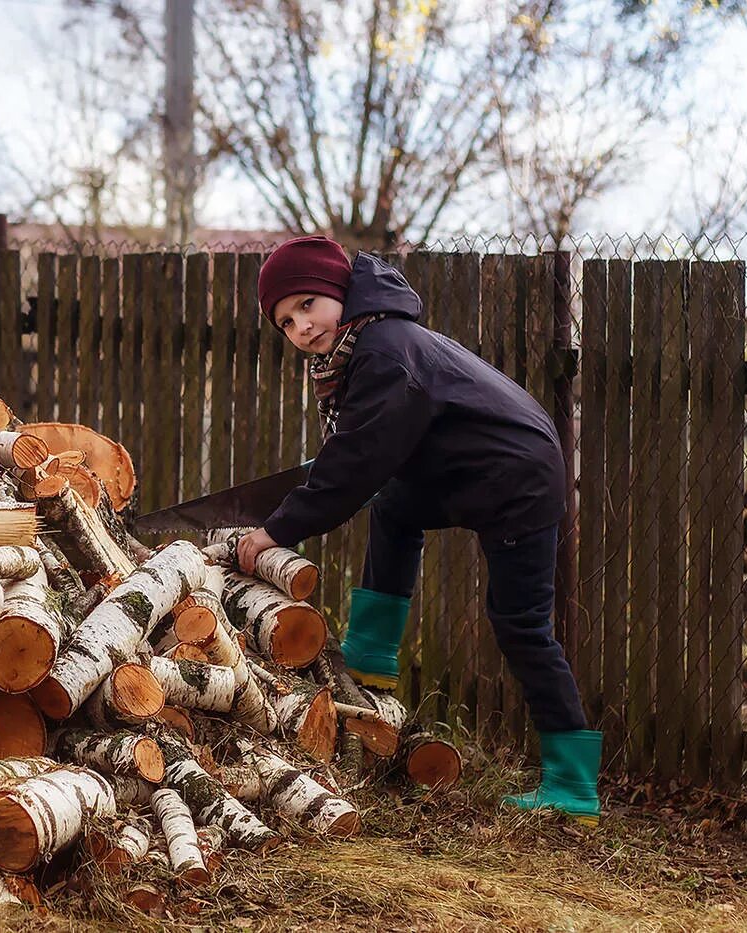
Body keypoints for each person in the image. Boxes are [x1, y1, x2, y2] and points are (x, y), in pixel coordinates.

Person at [234, 235, 600, 825]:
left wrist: (277, 530)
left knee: (521, 625)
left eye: (307, 304)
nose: (300, 327)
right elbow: (361, 457)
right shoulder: (369, 346)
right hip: (475, 472)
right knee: (396, 507)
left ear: (339, 293)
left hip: (516, 480)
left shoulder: (384, 351)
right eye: (284, 323)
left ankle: (574, 782)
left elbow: (354, 465)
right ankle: (374, 653)